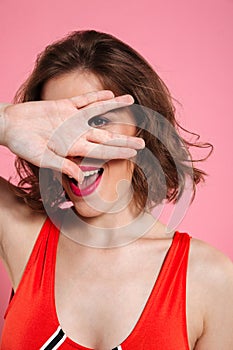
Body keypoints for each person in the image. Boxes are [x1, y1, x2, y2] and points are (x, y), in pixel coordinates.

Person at [0, 30, 232, 350]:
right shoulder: (19, 233)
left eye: (97, 123)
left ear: (142, 127)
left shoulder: (212, 280)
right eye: (60, 127)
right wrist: (6, 122)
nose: (76, 146)